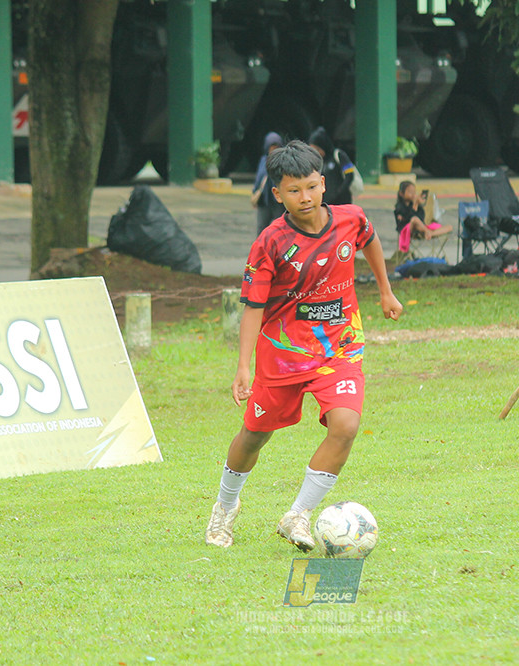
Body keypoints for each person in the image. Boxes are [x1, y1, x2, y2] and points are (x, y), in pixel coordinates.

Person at [205, 140, 403, 551]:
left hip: (340, 347)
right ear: (277, 194)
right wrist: (244, 366)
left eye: (311, 187)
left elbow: (370, 241)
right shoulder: (270, 243)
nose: (305, 197)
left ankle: (297, 515)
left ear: (324, 184)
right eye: (294, 191)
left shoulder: (351, 219)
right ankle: (224, 509)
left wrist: (385, 291)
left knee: (345, 425)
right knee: (254, 435)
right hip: (283, 355)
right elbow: (253, 308)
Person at [393, 181, 452, 255]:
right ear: (401, 193)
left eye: (414, 192)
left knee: (449, 227)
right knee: (414, 219)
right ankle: (427, 232)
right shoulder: (399, 207)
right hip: (407, 229)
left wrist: (417, 204)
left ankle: (430, 233)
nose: (413, 194)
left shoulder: (415, 204)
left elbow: (421, 218)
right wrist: (415, 204)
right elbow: (409, 218)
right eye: (410, 192)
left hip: (421, 228)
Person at [308, 126, 356, 205]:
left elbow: (350, 175)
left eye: (317, 149)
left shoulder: (338, 155)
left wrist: (340, 192)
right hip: (326, 204)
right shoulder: (316, 161)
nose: (315, 153)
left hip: (341, 202)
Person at [251, 132, 286, 235]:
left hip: (278, 201)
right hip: (264, 200)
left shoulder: (283, 161)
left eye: (276, 146)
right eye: (272, 147)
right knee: (262, 228)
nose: (274, 149)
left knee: (280, 228)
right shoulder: (263, 160)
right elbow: (259, 178)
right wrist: (255, 193)